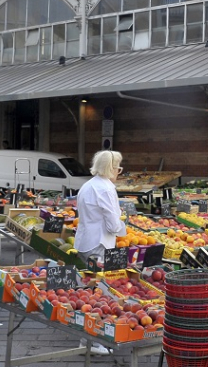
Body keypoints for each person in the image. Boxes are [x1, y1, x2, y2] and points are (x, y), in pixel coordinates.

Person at [73, 150, 128, 356]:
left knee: (90, 289)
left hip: (84, 242)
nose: (119, 172)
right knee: (102, 292)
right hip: (100, 245)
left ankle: (86, 337)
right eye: (118, 167)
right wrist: (123, 224)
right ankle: (94, 340)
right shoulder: (106, 189)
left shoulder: (87, 185)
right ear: (110, 168)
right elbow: (113, 224)